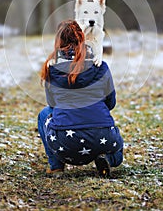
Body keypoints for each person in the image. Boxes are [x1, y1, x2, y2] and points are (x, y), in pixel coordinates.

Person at [37, 20, 123, 177]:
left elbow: (52, 105)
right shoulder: (100, 65)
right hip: (102, 136)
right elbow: (111, 103)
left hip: (66, 144)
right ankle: (107, 158)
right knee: (109, 133)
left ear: (58, 42)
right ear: (82, 39)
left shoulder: (52, 68)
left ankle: (56, 166)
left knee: (44, 113)